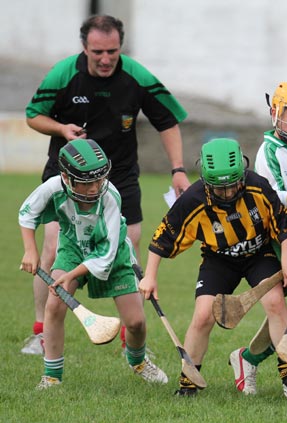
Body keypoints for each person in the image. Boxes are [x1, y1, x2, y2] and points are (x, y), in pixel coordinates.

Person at [21, 14, 190, 355]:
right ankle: (42, 332)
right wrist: (61, 129)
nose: (105, 58)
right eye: (97, 51)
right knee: (53, 248)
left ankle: (133, 336)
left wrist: (178, 169)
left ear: (120, 47)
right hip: (64, 174)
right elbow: (32, 115)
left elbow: (168, 121)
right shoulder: (63, 73)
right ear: (84, 48)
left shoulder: (136, 76)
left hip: (120, 175)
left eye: (112, 51)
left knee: (127, 249)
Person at [138, 138, 287, 397]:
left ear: (242, 174)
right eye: (219, 189)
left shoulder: (257, 185)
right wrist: (150, 276)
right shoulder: (193, 199)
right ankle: (188, 382)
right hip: (218, 258)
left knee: (276, 302)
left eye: (233, 186)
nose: (228, 194)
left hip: (258, 253)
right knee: (202, 316)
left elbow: (284, 224)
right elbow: (161, 238)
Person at [18, 139, 168, 389]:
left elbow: (107, 254)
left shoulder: (110, 196)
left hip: (113, 252)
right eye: (88, 182)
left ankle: (138, 361)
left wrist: (71, 276)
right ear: (67, 178)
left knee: (136, 322)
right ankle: (52, 376)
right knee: (54, 306)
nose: (95, 187)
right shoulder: (53, 187)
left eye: (99, 179)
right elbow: (27, 212)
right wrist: (30, 250)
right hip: (72, 248)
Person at [228, 81, 287, 399]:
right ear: (276, 113)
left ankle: (248, 359)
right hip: (275, 239)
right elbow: (271, 196)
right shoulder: (268, 149)